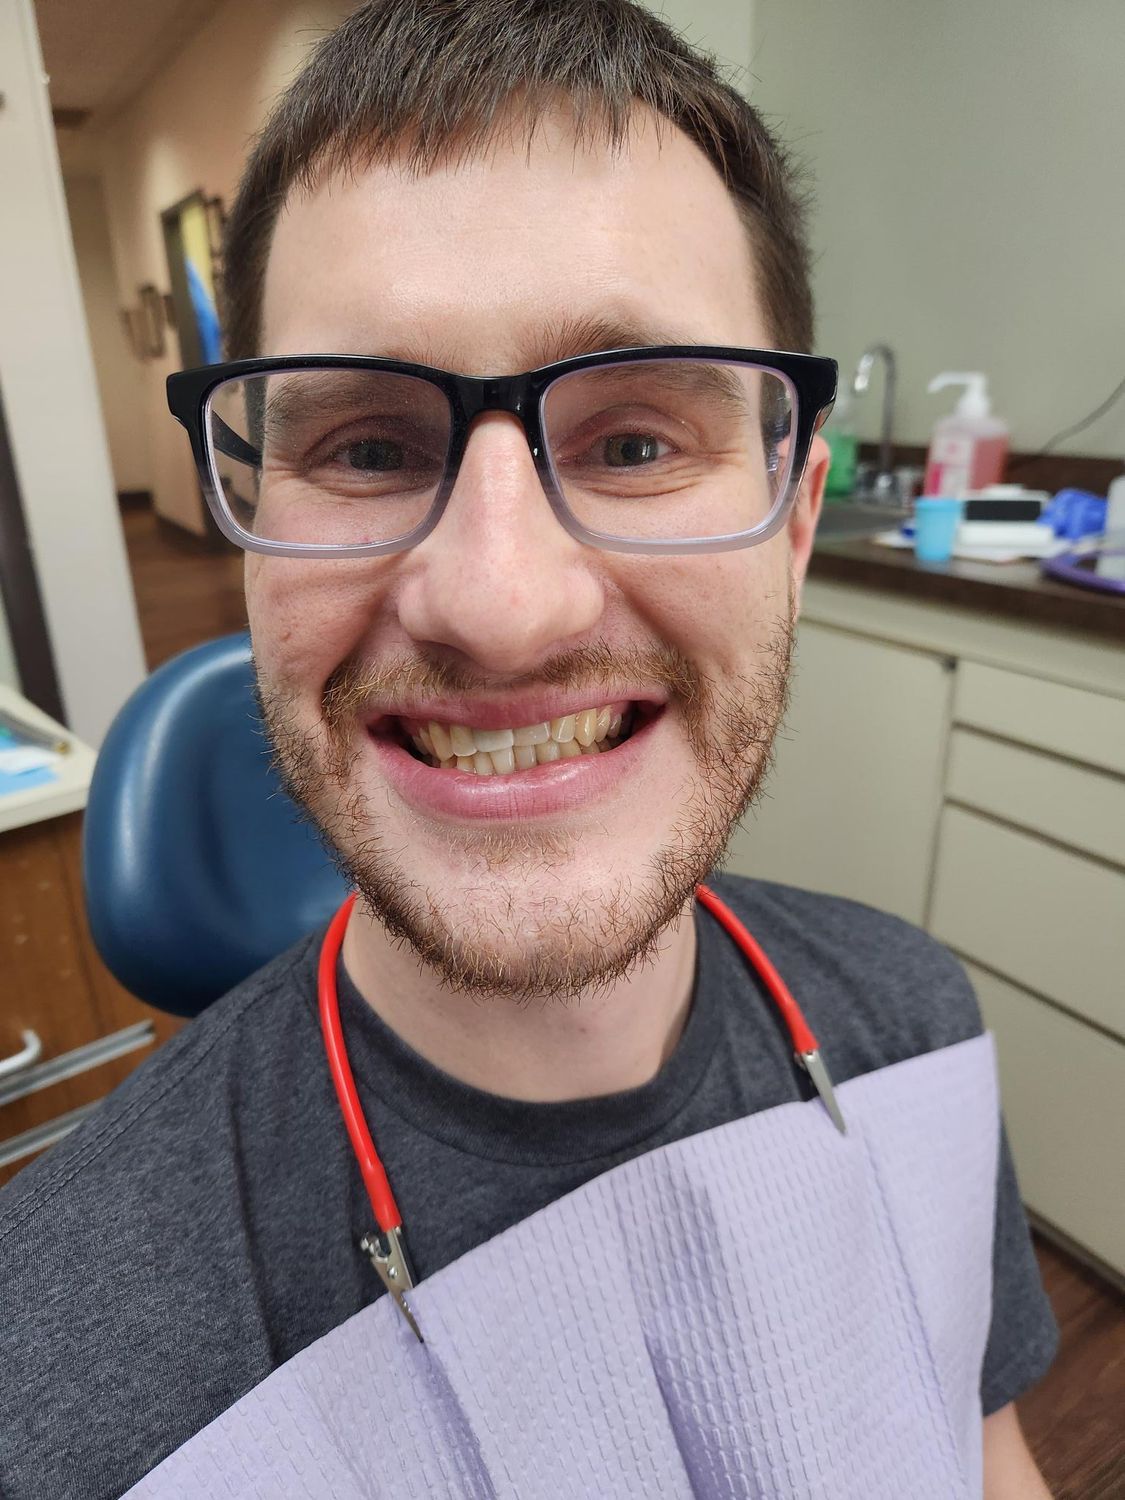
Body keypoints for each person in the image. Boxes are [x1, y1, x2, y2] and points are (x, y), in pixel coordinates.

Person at [0, 2, 1058, 1495]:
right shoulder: (41, 1365)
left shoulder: (918, 1026)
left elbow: (983, 1450)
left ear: (797, 518)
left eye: (635, 443)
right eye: (365, 448)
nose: (499, 607)